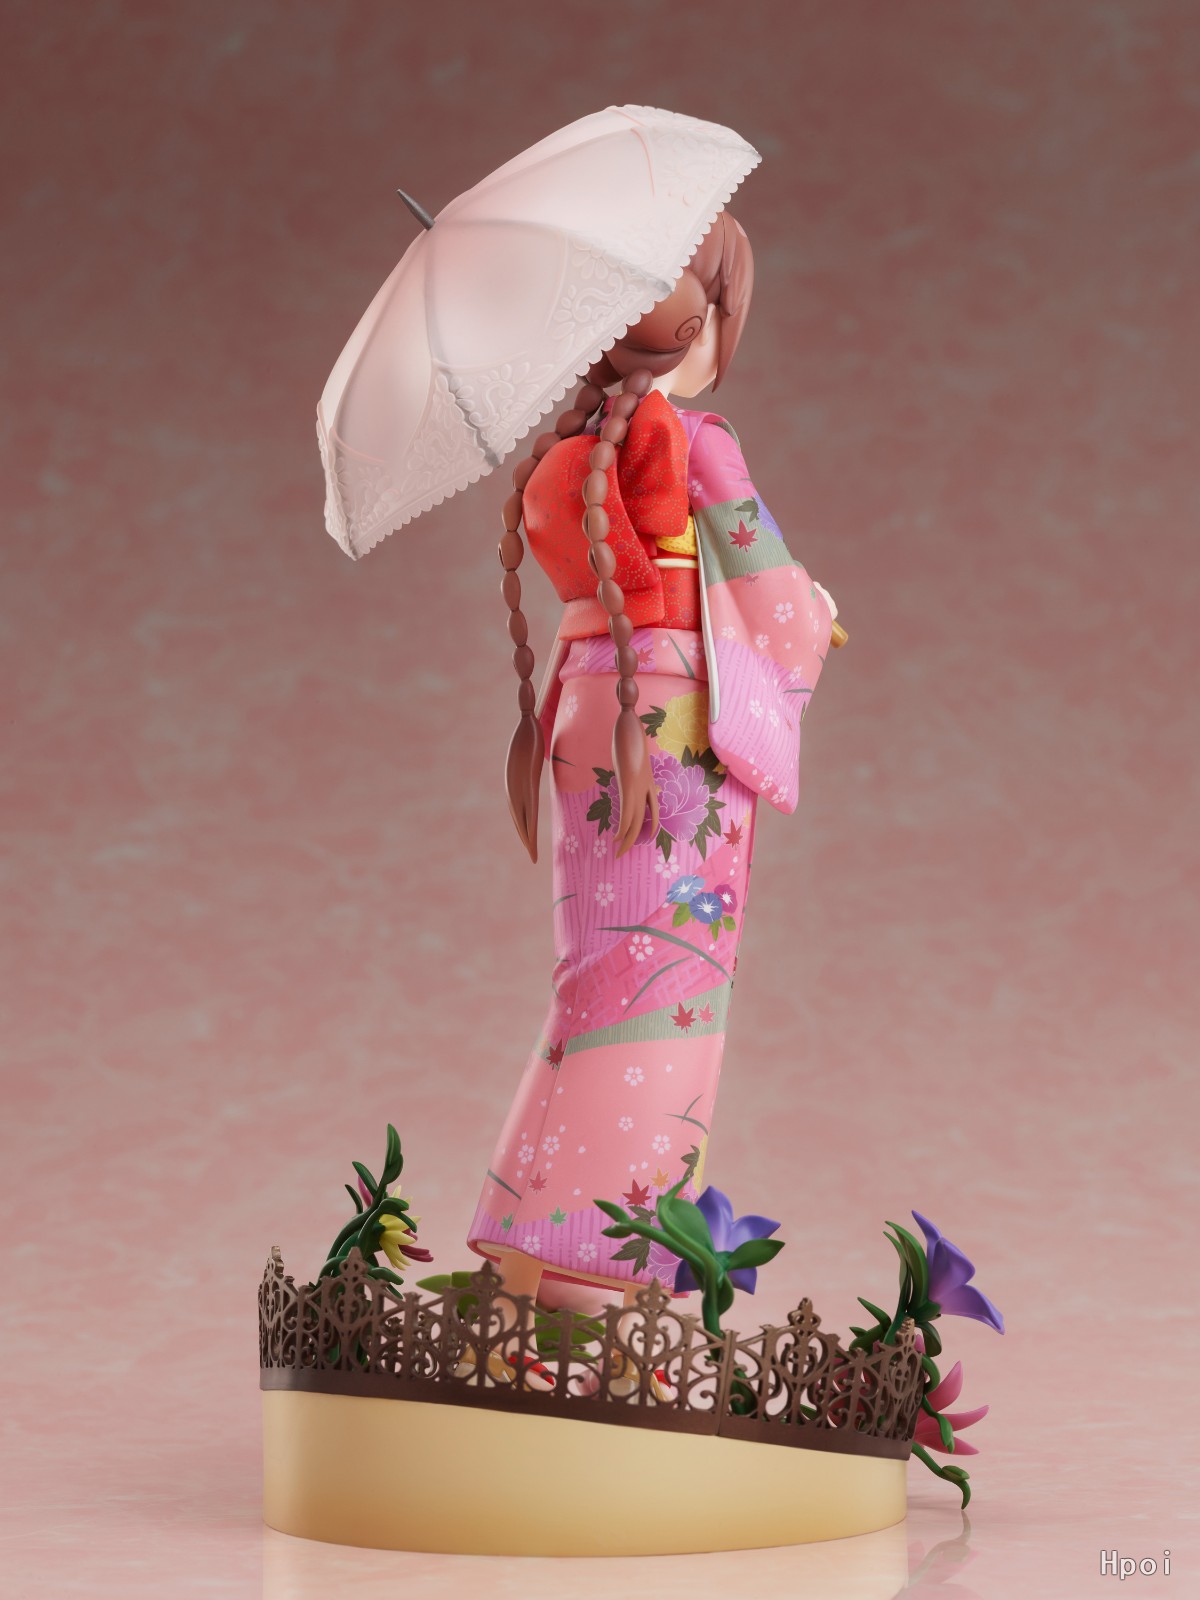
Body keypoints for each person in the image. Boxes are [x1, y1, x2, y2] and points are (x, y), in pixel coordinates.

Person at [467, 211, 836, 1327]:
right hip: (670, 720)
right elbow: (774, 603)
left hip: (592, 701)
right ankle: (596, 1268)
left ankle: (523, 1246)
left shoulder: (576, 446)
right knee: (669, 986)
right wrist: (817, 611)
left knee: (597, 974)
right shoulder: (696, 440)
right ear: (702, 322)